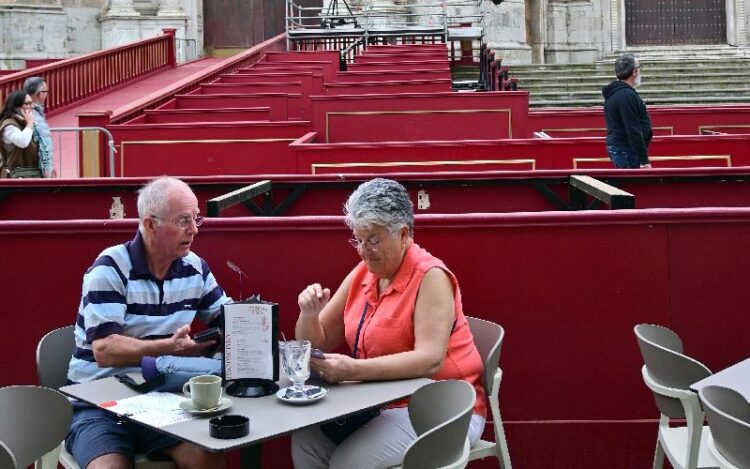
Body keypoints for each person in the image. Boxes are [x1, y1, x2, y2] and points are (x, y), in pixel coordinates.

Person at [292, 178, 487, 469]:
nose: (363, 250)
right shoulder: (364, 273)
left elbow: (430, 360)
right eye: (358, 239)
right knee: (306, 443)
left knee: (348, 464)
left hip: (441, 407)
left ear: (404, 234)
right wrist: (308, 314)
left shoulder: (431, 276)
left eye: (373, 240)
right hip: (379, 402)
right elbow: (315, 343)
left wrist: (351, 370)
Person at [65, 177, 229, 469]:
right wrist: (168, 348)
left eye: (195, 219)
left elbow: (229, 319)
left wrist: (256, 327)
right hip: (97, 401)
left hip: (159, 399)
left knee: (206, 457)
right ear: (150, 224)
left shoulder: (196, 269)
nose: (193, 230)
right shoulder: (110, 267)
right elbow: (105, 350)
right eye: (182, 221)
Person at [602, 53, 653, 169]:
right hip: (626, 150)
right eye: (639, 68)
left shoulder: (616, 92)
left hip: (621, 148)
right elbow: (633, 129)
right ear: (634, 72)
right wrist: (644, 160)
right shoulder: (626, 95)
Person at [0, 90, 40, 178]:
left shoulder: (24, 123)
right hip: (16, 176)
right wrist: (30, 123)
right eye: (27, 104)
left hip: (32, 173)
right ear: (16, 107)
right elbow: (22, 142)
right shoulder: (9, 126)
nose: (32, 107)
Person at [23, 76, 55, 177]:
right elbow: (42, 144)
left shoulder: (33, 112)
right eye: (46, 91)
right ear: (39, 94)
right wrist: (48, 168)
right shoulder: (32, 115)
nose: (47, 95)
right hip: (37, 170)